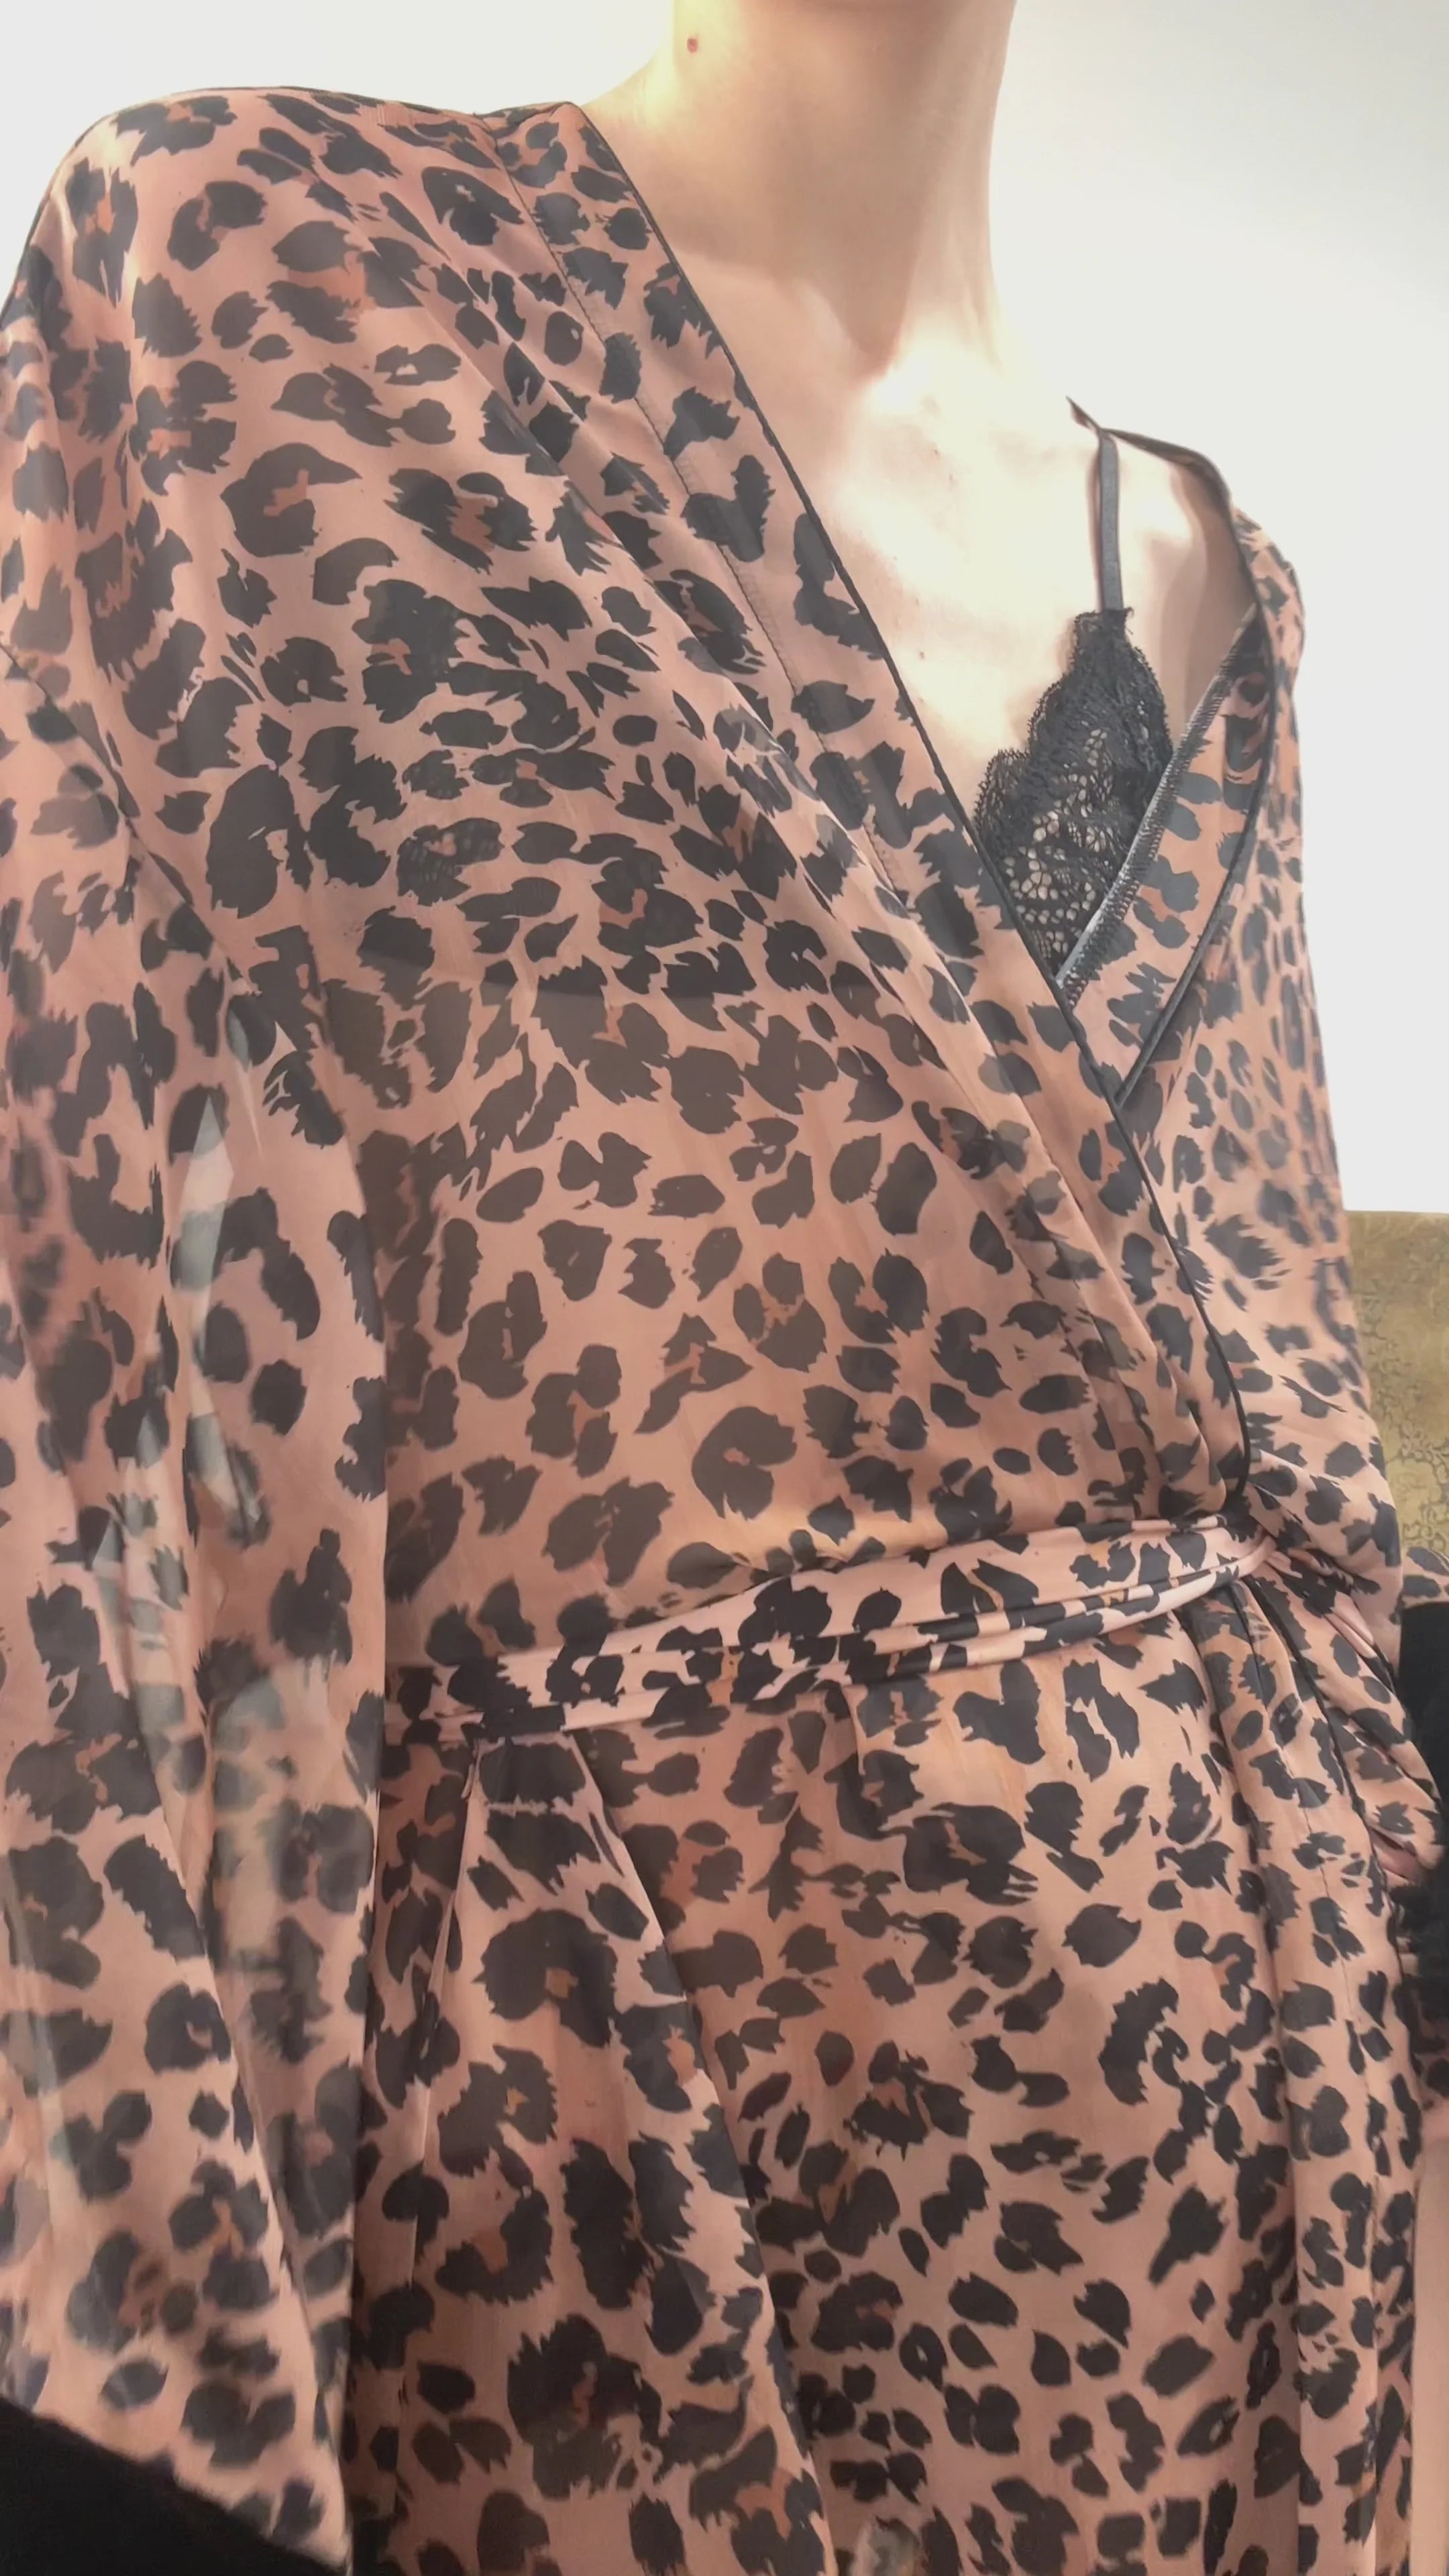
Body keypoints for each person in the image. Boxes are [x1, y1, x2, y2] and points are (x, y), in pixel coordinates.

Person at [0, 7, 1446, 2573]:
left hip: (1270, 2244)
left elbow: (1291, 1452)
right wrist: (137, 2418)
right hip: (622, 2256)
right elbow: (87, 1429)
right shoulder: (256, 285)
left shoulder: (1221, 575)